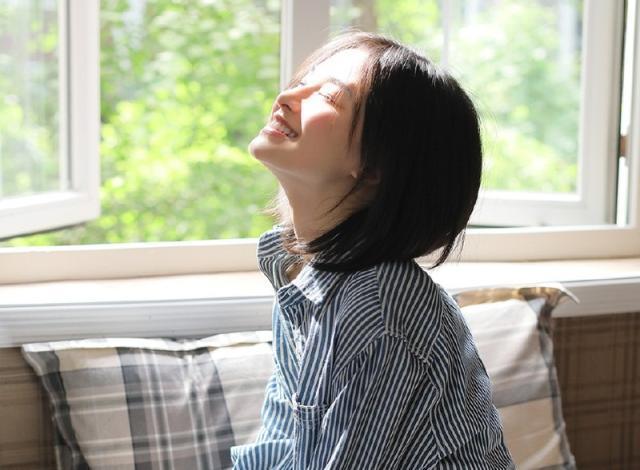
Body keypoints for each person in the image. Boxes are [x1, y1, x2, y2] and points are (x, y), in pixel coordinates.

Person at [230, 31, 515, 469]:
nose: (287, 97)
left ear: (374, 164)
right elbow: (283, 444)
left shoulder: (380, 309)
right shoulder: (304, 277)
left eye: (327, 96)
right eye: (302, 81)